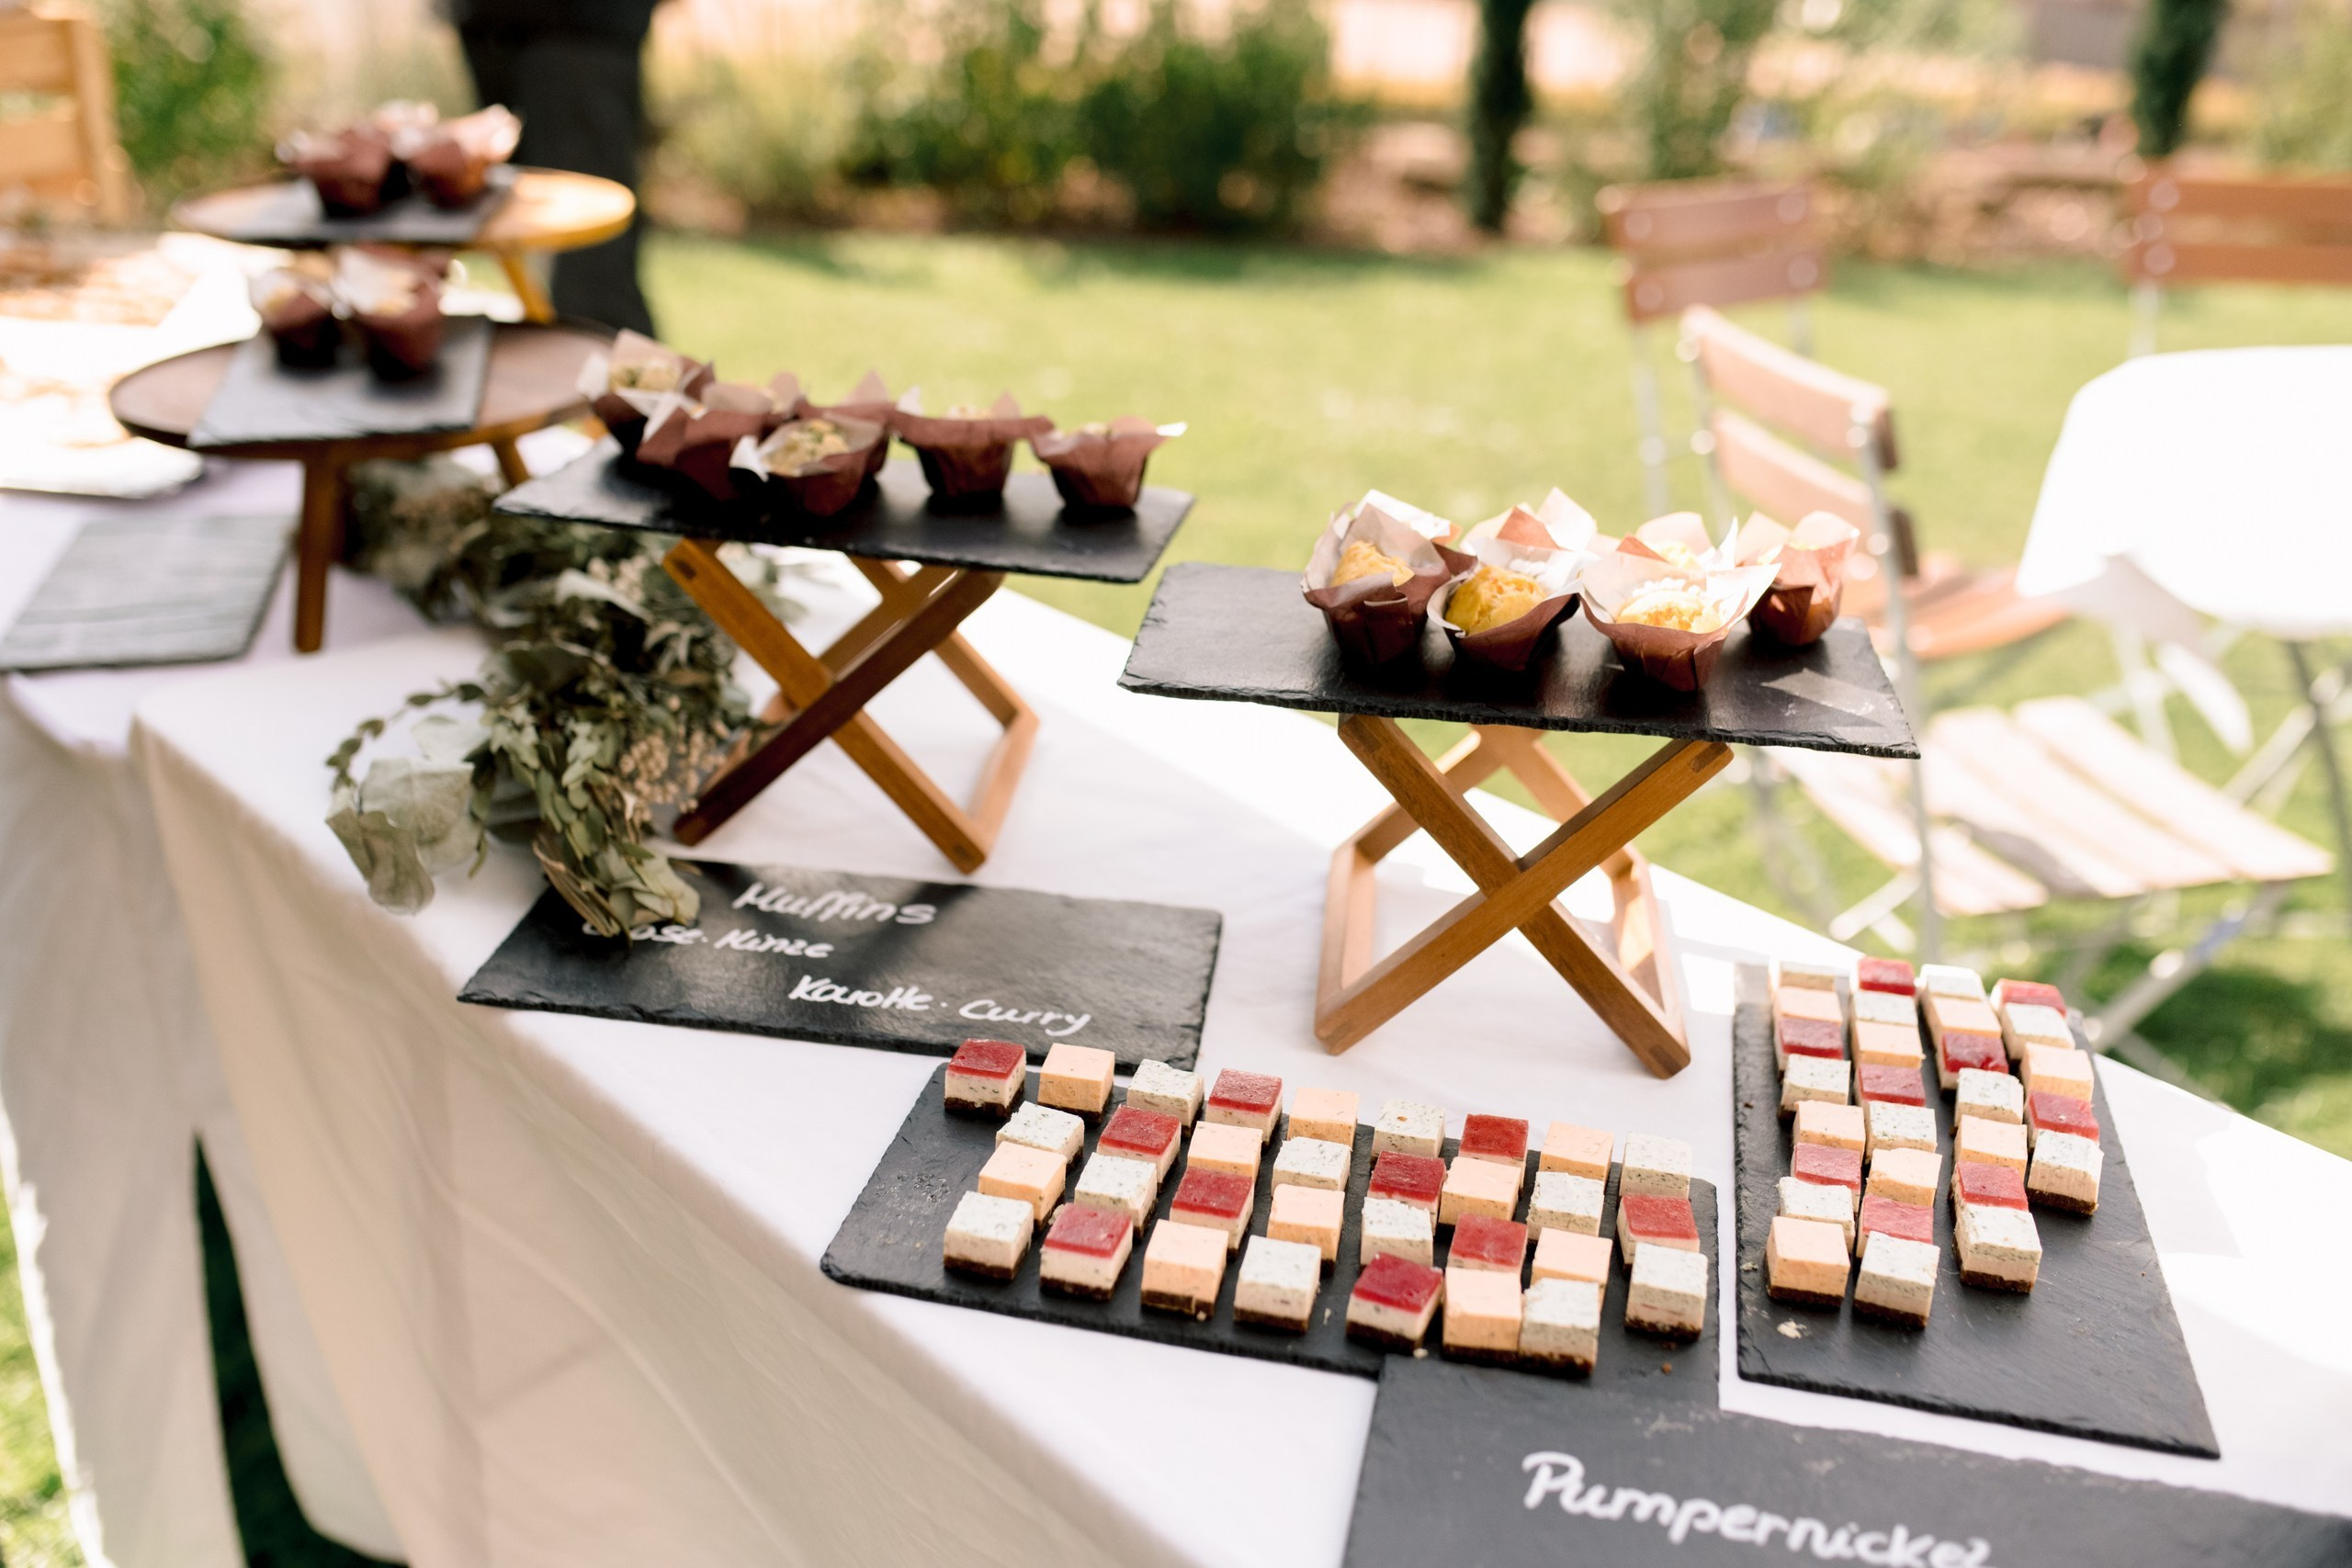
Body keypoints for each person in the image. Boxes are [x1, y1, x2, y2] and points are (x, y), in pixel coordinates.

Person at [445, 0, 662, 335]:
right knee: (521, 228)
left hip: (578, 29)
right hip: (496, 26)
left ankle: (624, 380)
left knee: (593, 267)